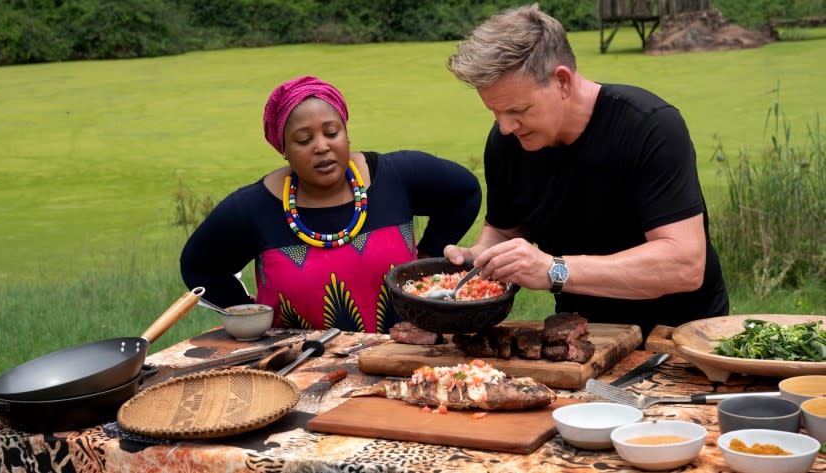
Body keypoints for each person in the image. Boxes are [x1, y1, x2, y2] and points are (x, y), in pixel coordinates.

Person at [443, 4, 729, 337]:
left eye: (517, 110)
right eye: (494, 112)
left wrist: (554, 270)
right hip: (579, 337)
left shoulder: (649, 127)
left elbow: (684, 264)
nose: (505, 127)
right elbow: (506, 230)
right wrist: (481, 258)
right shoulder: (508, 142)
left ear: (562, 81)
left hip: (679, 338)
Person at [181, 75, 482, 333]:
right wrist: (250, 316)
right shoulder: (254, 207)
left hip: (401, 359)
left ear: (346, 132)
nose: (322, 146)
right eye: (303, 139)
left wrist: (425, 262)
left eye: (331, 132)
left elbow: (465, 193)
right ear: (283, 149)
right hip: (299, 373)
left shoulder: (397, 176)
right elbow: (199, 266)